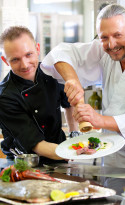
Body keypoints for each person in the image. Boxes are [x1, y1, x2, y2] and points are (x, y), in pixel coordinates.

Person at [41, 4, 125, 171]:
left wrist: (98, 120)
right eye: (104, 37)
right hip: (113, 158)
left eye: (117, 35)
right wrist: (72, 80)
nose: (111, 44)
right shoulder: (105, 51)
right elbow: (60, 53)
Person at [0, 26, 77, 165]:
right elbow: (35, 144)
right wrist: (70, 151)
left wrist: (74, 135)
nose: (25, 65)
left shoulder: (52, 72)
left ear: (38, 49)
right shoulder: (5, 96)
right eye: (15, 59)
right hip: (23, 163)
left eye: (28, 54)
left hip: (60, 155)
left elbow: (69, 103)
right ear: (5, 61)